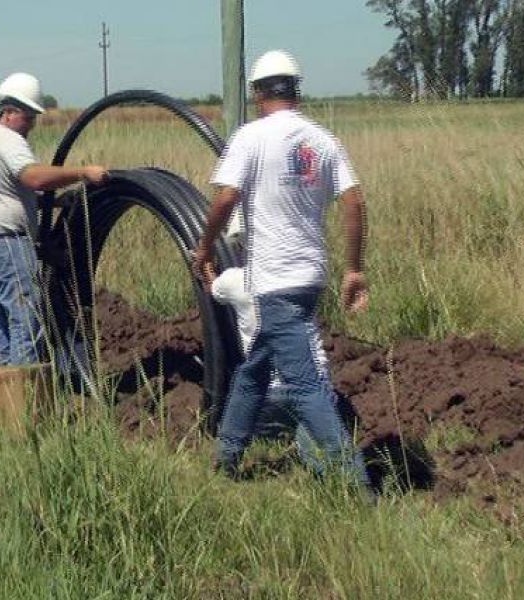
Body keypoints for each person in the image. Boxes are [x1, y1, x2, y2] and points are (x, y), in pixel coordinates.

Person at [192, 50, 370, 488]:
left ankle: (357, 486)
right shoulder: (324, 140)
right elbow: (354, 201)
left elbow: (225, 198)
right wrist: (353, 269)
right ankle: (226, 459)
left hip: (274, 281)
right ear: (296, 90)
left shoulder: (251, 137)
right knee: (253, 371)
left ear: (257, 94)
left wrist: (204, 247)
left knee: (306, 387)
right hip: (310, 277)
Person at [0, 72, 108, 366]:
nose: (31, 126)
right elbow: (34, 177)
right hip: (4, 245)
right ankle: (25, 403)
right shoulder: (8, 139)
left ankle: (0, 401)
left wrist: (51, 203)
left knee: (0, 322)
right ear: (12, 112)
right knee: (25, 322)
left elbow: (7, 193)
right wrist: (84, 173)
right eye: (29, 118)